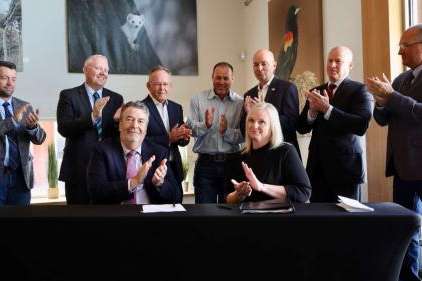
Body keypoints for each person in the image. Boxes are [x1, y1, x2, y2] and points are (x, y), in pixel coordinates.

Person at [367, 24, 422, 281]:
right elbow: (383, 119)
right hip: (402, 167)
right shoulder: (400, 80)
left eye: (404, 46)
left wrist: (393, 97)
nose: (400, 52)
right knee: (406, 229)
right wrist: (379, 102)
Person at [297, 46, 373, 202]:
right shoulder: (316, 90)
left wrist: (327, 109)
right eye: (330, 61)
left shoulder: (360, 90)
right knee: (320, 221)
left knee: (347, 224)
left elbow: (360, 125)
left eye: (338, 61)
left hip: (346, 170)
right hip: (317, 170)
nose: (332, 65)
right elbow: (302, 127)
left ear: (350, 66)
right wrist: (311, 112)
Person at [57, 54, 123, 204]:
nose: (103, 73)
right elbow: (64, 128)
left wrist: (117, 122)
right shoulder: (69, 95)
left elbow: (116, 136)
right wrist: (92, 117)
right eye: (98, 68)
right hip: (78, 170)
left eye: (106, 70)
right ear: (85, 69)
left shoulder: (116, 98)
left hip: (108, 170)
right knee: (78, 220)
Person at [87, 101, 182, 204]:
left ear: (146, 128)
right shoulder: (101, 150)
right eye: (129, 119)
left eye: (140, 121)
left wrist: (160, 184)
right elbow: (96, 193)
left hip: (149, 217)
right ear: (120, 125)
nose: (134, 125)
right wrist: (134, 182)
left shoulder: (159, 152)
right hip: (117, 217)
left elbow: (175, 196)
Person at [226, 102, 310, 204]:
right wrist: (239, 194)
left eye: (261, 122)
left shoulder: (286, 151)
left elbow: (303, 192)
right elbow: (228, 199)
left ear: (272, 126)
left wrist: (262, 187)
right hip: (247, 217)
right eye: (251, 120)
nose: (254, 125)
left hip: (279, 218)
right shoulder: (240, 156)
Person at [187, 62, 244, 203]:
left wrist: (226, 132)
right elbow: (191, 130)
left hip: (232, 163)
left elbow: (244, 136)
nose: (221, 82)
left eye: (226, 78)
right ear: (212, 77)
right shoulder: (197, 99)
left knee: (231, 212)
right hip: (206, 164)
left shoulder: (240, 103)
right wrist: (206, 125)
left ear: (232, 79)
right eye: (218, 78)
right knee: (205, 214)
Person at [0, 60, 46, 205]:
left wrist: (32, 127)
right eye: (4, 78)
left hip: (21, 177)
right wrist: (12, 120)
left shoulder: (24, 106)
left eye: (13, 79)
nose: (10, 83)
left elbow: (40, 139)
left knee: (21, 224)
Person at [241, 48, 300, 156]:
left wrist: (265, 113)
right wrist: (249, 114)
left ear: (274, 65)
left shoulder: (287, 88)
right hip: (257, 154)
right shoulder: (249, 94)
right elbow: (242, 130)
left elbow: (292, 123)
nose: (259, 68)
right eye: (256, 64)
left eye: (264, 64)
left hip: (282, 153)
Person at [142, 66, 191, 184]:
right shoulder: (140, 108)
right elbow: (140, 142)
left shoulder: (176, 108)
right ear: (148, 86)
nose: (162, 88)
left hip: (175, 168)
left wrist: (184, 136)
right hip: (153, 169)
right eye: (158, 84)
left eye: (165, 84)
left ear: (170, 86)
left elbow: (182, 143)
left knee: (177, 202)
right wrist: (168, 138)